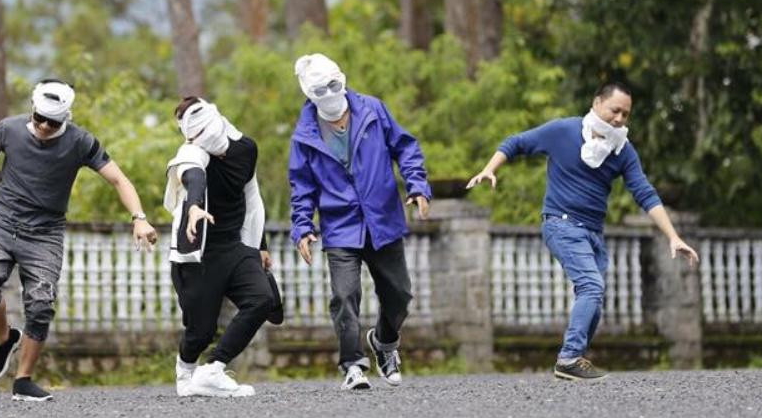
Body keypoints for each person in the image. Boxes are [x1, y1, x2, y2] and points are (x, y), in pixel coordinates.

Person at [0, 79, 158, 401]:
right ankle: (4, 339)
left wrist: (139, 218)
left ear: (66, 118)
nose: (42, 126)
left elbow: (117, 179)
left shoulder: (81, 142)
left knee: (41, 305)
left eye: (52, 122)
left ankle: (23, 380)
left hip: (45, 233)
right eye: (38, 118)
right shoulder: (7, 129)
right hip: (1, 222)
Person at [467, 82, 698, 382]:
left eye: (625, 115)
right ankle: (569, 358)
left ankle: (575, 360)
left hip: (592, 232)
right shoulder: (564, 131)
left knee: (594, 294)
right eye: (615, 110)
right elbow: (516, 142)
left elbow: (645, 193)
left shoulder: (622, 151)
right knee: (591, 285)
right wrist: (490, 168)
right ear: (598, 103)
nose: (619, 119)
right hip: (561, 224)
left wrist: (673, 235)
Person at [287, 54, 431, 391]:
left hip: (382, 219)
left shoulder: (373, 110)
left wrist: (417, 185)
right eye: (321, 89)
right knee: (344, 295)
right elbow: (302, 187)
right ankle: (352, 365)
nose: (331, 93)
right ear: (309, 94)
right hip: (340, 226)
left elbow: (406, 148)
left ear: (343, 77)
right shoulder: (304, 135)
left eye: (335, 84)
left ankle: (384, 341)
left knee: (400, 295)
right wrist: (303, 227)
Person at [165, 97, 282, 398]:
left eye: (207, 129)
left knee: (262, 299)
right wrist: (193, 208)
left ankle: (213, 368)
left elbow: (252, 196)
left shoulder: (246, 148)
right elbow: (194, 178)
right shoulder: (191, 153)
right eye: (197, 135)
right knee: (200, 331)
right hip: (198, 253)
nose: (206, 138)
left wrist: (260, 244)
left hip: (234, 244)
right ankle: (185, 371)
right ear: (189, 137)